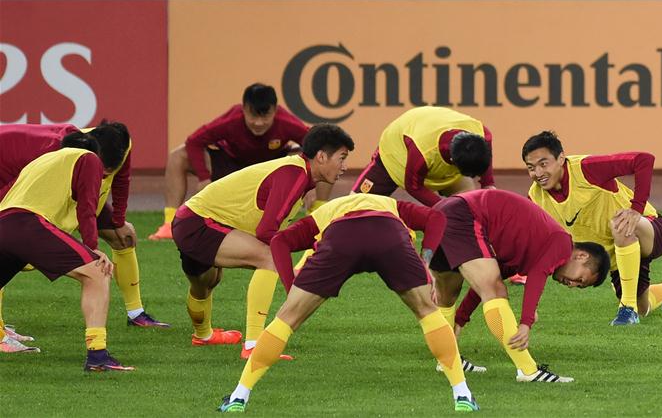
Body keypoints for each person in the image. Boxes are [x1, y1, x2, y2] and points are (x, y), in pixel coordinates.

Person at [218, 193, 480, 413]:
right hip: (388, 235)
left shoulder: (326, 211)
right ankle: (463, 394)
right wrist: (426, 260)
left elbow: (279, 241)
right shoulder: (391, 204)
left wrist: (291, 289)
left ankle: (239, 396)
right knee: (427, 310)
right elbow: (436, 217)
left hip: (340, 239)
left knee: (287, 317)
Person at [173, 124, 353, 359]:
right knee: (268, 257)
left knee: (207, 281)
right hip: (198, 223)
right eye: (342, 158)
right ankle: (253, 345)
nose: (344, 167)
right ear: (321, 157)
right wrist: (293, 284)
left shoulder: (297, 172)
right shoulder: (294, 174)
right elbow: (267, 232)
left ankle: (203, 336)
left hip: (195, 220)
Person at [429, 189, 610, 382]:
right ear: (581, 256)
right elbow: (537, 275)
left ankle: (447, 360)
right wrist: (526, 323)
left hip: (444, 211)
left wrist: (460, 319)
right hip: (464, 214)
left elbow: (480, 287)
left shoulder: (529, 249)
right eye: (580, 280)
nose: (572, 285)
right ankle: (528, 370)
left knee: (448, 294)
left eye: (578, 286)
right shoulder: (562, 242)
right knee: (495, 290)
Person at [0, 122, 168, 328]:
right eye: (102, 173)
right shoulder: (55, 152)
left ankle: (136, 314)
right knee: (9, 245)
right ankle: (0, 333)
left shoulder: (120, 143)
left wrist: (118, 220)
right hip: (9, 176)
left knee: (122, 236)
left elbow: (121, 181)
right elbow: (17, 192)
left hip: (76, 192)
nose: (104, 177)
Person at [521, 131, 662, 326]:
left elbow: (643, 160)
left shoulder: (585, 169)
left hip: (647, 228)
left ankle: (627, 311)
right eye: (531, 167)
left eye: (543, 164)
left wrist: (636, 210)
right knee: (643, 307)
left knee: (619, 223)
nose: (538, 173)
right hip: (616, 256)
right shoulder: (535, 198)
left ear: (561, 158)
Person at [0, 131, 133, 370]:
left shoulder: (40, 162)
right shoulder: (88, 158)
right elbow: (87, 207)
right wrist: (93, 248)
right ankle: (98, 356)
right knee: (98, 272)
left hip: (4, 223)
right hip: (28, 224)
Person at [150, 83, 326, 240]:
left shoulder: (285, 121)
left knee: (325, 158)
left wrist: (308, 180)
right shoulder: (232, 119)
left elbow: (316, 145)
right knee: (178, 155)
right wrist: (204, 178)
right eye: (253, 115)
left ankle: (317, 217)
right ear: (243, 109)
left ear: (275, 110)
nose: (258, 123)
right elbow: (194, 141)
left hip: (271, 172)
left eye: (265, 116)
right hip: (232, 169)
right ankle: (169, 224)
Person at [351, 106, 495, 207]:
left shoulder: (482, 134)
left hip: (435, 141)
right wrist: (442, 207)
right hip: (396, 157)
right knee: (354, 207)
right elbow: (413, 186)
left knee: (470, 207)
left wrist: (488, 184)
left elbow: (485, 164)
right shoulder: (422, 151)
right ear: (453, 161)